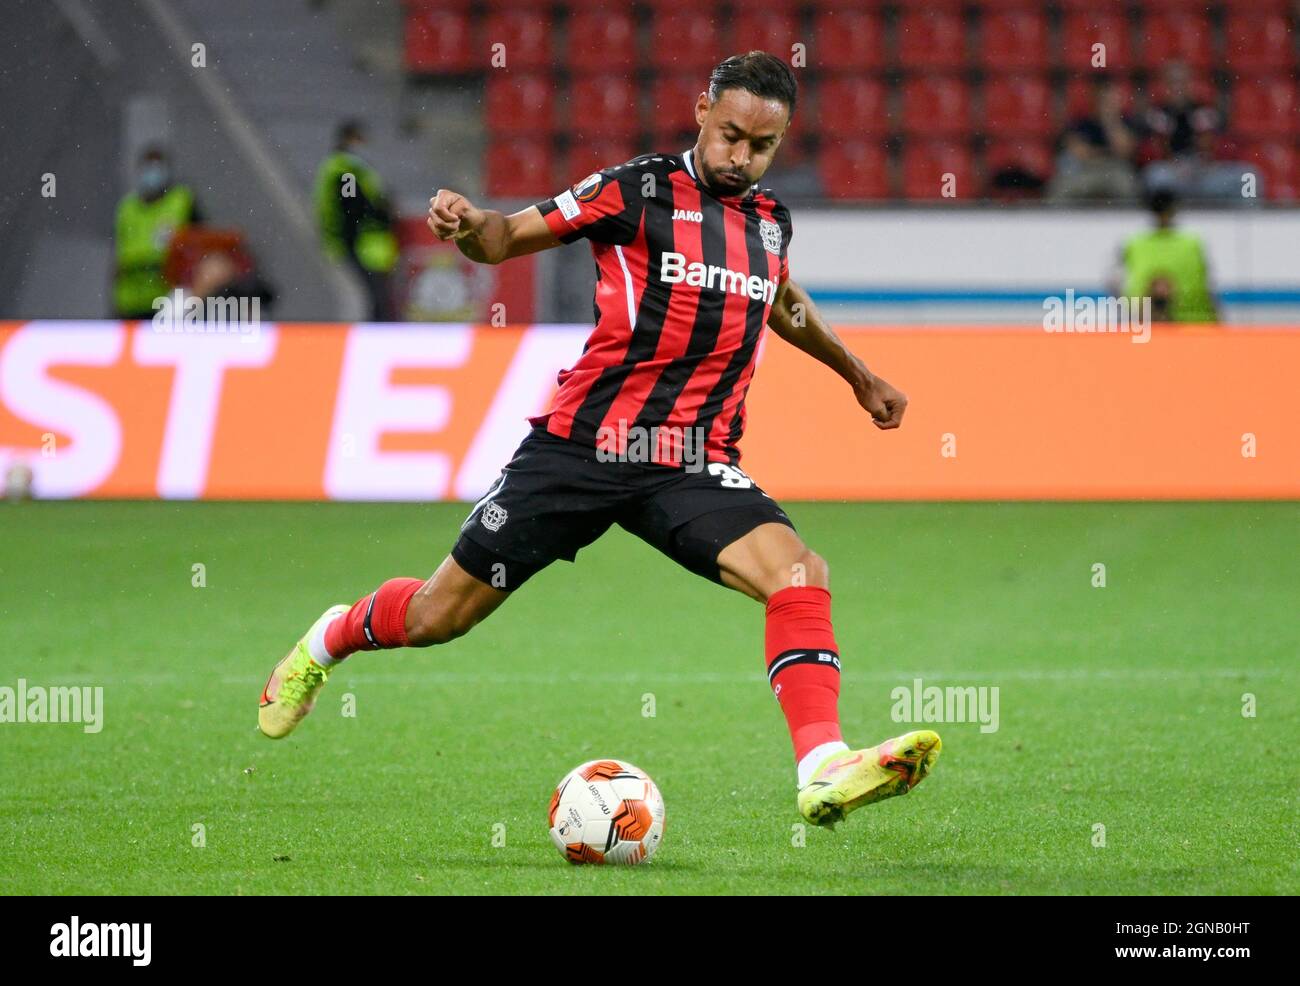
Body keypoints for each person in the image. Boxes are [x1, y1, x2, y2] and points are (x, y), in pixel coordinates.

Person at [259, 52, 941, 829]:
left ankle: (823, 766)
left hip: (690, 459)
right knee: (437, 618)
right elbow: (505, 236)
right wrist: (466, 224)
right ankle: (328, 637)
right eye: (729, 135)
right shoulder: (634, 189)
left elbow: (781, 300)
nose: (739, 156)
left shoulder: (770, 221)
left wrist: (856, 373)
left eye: (760, 145)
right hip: (582, 447)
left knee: (798, 571)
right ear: (700, 112)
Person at [314, 120, 399, 320]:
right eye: (359, 139)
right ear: (348, 140)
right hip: (357, 243)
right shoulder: (345, 171)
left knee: (375, 298)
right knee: (372, 299)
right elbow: (352, 205)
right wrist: (380, 213)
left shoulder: (350, 169)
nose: (364, 144)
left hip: (363, 243)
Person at [112, 147, 201, 318]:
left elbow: (200, 239)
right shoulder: (127, 209)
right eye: (149, 168)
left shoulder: (181, 201)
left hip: (167, 299)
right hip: (131, 301)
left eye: (157, 168)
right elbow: (117, 256)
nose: (153, 175)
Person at [1121, 188, 1217, 323]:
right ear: (1174, 209)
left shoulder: (1135, 244)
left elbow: (1118, 283)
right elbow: (1207, 288)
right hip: (1193, 322)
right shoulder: (1192, 243)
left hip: (1150, 325)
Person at [1047, 76, 1141, 203]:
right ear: (1095, 100)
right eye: (1104, 99)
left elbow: (1124, 152)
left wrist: (1110, 121)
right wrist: (1108, 152)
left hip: (1115, 169)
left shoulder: (1127, 121)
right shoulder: (1081, 122)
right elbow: (1080, 154)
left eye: (1111, 99)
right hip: (1086, 170)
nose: (1108, 103)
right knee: (1060, 189)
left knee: (1129, 189)